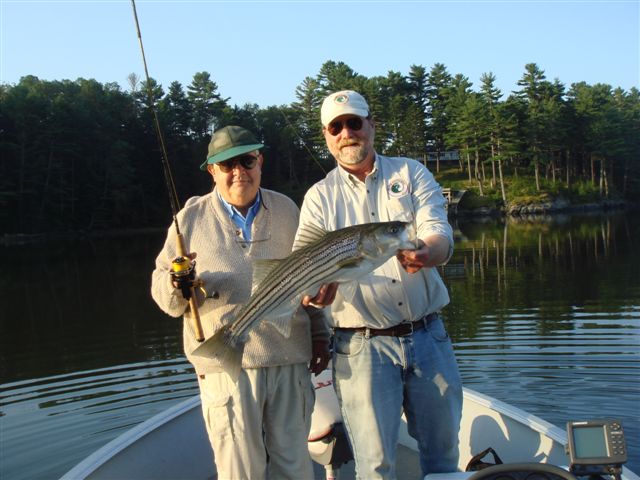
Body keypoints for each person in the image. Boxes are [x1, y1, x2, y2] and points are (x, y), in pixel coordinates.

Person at [296, 90, 463, 479]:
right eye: (336, 127)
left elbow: (439, 233)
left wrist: (427, 252)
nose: (347, 133)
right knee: (375, 466)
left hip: (428, 336)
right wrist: (314, 292)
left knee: (444, 456)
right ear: (326, 135)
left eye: (355, 122)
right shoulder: (319, 197)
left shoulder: (411, 173)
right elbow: (305, 268)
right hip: (361, 346)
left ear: (371, 126)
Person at [151, 125, 330, 480]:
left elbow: (308, 275)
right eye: (227, 164)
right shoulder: (188, 220)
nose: (239, 172)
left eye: (247, 161)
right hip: (224, 367)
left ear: (260, 161)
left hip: (289, 359)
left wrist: (320, 332)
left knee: (295, 467)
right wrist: (176, 283)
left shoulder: (288, 209)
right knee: (240, 472)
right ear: (211, 170)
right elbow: (165, 298)